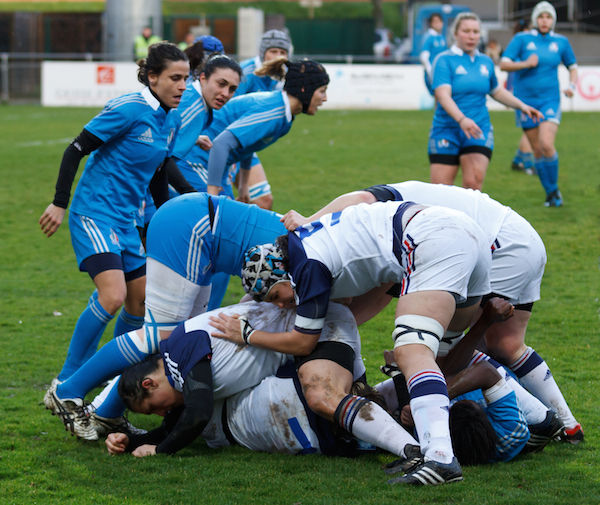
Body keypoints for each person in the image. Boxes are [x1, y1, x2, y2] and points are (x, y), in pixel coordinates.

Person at [211, 200, 493, 485]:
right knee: (442, 355)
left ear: (283, 271)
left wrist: (248, 335)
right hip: (465, 233)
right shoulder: (316, 242)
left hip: (432, 238)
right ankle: (531, 415)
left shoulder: (305, 265)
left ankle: (440, 457)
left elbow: (303, 343)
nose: (281, 305)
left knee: (411, 352)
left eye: (275, 296)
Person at [280, 181, 583, 442]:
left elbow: (358, 200)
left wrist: (310, 221)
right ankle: (567, 425)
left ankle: (528, 420)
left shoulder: (378, 210)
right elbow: (382, 292)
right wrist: (336, 327)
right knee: (506, 345)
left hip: (494, 243)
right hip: (519, 239)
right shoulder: (397, 230)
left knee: (438, 355)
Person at [44, 193, 287, 440]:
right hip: (194, 227)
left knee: (177, 341)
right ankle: (68, 391)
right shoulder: (315, 260)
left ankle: (107, 413)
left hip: (201, 232)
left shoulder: (313, 245)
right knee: (160, 335)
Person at [39, 43, 190, 390]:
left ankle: (110, 377)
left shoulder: (173, 116)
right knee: (113, 296)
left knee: (139, 301)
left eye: (186, 79)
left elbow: (157, 173)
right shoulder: (128, 109)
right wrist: (59, 202)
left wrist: (157, 224)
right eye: (175, 78)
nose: (183, 86)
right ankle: (66, 378)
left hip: (126, 221)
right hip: (94, 213)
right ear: (152, 77)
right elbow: (75, 149)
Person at [105, 301, 420, 461]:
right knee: (347, 410)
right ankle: (411, 403)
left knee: (325, 403)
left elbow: (196, 414)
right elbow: (177, 423)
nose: (161, 414)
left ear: (150, 384)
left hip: (319, 331)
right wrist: (133, 441)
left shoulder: (179, 349)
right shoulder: (182, 370)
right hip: (315, 338)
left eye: (152, 409)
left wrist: (159, 452)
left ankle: (418, 451)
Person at [428, 12, 544, 190]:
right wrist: (461, 119)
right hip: (447, 130)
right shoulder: (444, 60)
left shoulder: (486, 61)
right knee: (440, 192)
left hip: (478, 128)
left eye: (475, 31)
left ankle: (470, 219)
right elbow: (443, 96)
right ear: (456, 33)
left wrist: (522, 106)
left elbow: (496, 91)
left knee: (473, 184)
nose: (472, 36)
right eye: (466, 31)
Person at [205, 57, 329, 204]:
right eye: (322, 91)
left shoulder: (285, 116)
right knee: (216, 219)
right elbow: (220, 144)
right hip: (199, 155)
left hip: (215, 161)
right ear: (304, 89)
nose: (325, 98)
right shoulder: (274, 111)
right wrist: (212, 198)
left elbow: (248, 145)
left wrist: (244, 186)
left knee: (224, 221)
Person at [500, 1, 578, 207]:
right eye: (541, 16)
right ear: (536, 19)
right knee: (536, 150)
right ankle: (551, 193)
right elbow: (504, 64)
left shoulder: (561, 42)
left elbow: (573, 67)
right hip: (525, 102)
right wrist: (526, 63)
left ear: (553, 20)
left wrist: (572, 85)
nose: (545, 20)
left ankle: (554, 190)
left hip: (549, 100)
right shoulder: (522, 39)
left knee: (546, 144)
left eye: (549, 17)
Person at [506, 18, 536, 175]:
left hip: (529, 93)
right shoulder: (520, 45)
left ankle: (517, 161)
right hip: (523, 94)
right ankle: (527, 164)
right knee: (530, 130)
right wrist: (509, 90)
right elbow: (510, 68)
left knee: (530, 129)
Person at [419, 13, 446, 96]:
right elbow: (424, 57)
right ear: (431, 23)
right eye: (435, 22)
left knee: (442, 98)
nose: (438, 24)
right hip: (433, 72)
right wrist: (431, 72)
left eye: (440, 21)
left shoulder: (441, 37)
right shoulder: (428, 37)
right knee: (440, 97)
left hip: (441, 71)